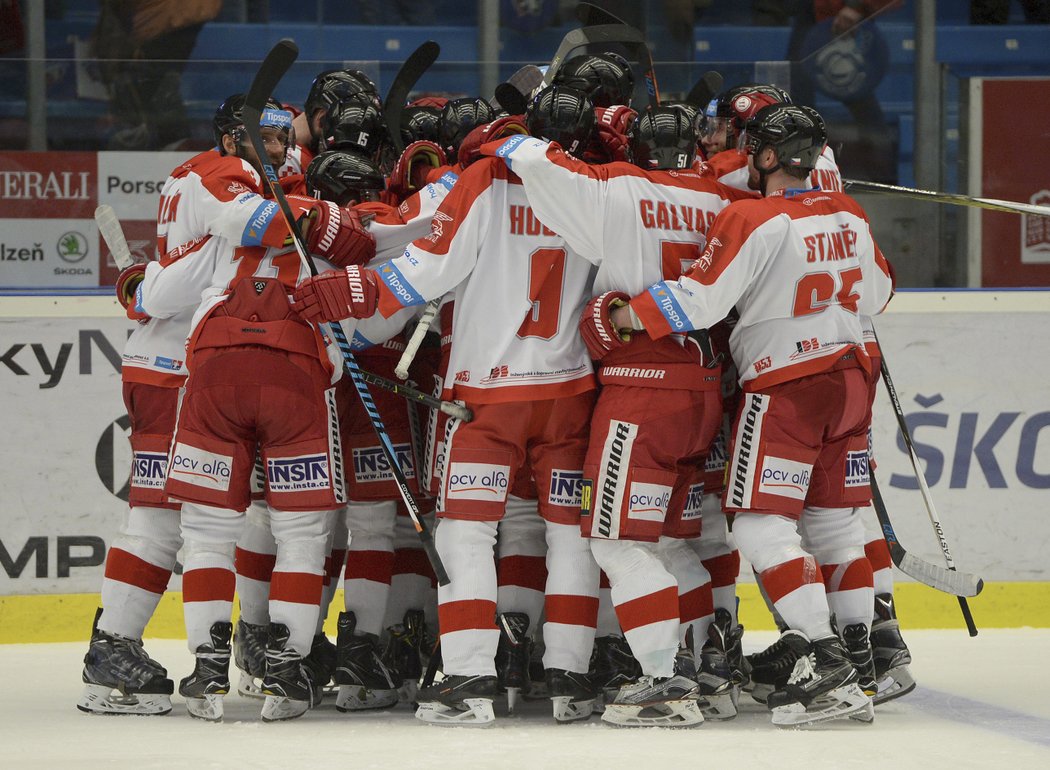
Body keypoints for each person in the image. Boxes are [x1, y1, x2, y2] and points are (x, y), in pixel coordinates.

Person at [291, 85, 605, 727]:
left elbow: (426, 270)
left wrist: (351, 291)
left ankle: (469, 678)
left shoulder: (487, 178)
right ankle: (571, 675)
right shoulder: (595, 186)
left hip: (488, 398)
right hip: (570, 392)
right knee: (570, 534)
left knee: (465, 530)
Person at [607, 103, 895, 727]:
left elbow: (700, 301)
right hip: (854, 375)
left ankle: (821, 662)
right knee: (836, 524)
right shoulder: (849, 211)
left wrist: (627, 316)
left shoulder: (750, 217)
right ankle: (861, 658)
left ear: (765, 157)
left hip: (790, 384)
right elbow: (881, 293)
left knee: (758, 526)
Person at [483, 106, 753, 726]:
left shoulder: (619, 185)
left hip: (640, 391)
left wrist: (508, 137)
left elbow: (539, 165)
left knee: (614, 540)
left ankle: (662, 684)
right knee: (671, 544)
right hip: (704, 392)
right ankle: (708, 668)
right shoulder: (722, 199)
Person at [135, 94, 376, 722]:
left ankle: (209, 668)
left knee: (208, 533)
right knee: (301, 533)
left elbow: (158, 293)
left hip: (214, 373)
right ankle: (288, 671)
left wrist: (136, 285)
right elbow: (379, 302)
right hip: (295, 379)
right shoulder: (340, 227)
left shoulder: (229, 219)